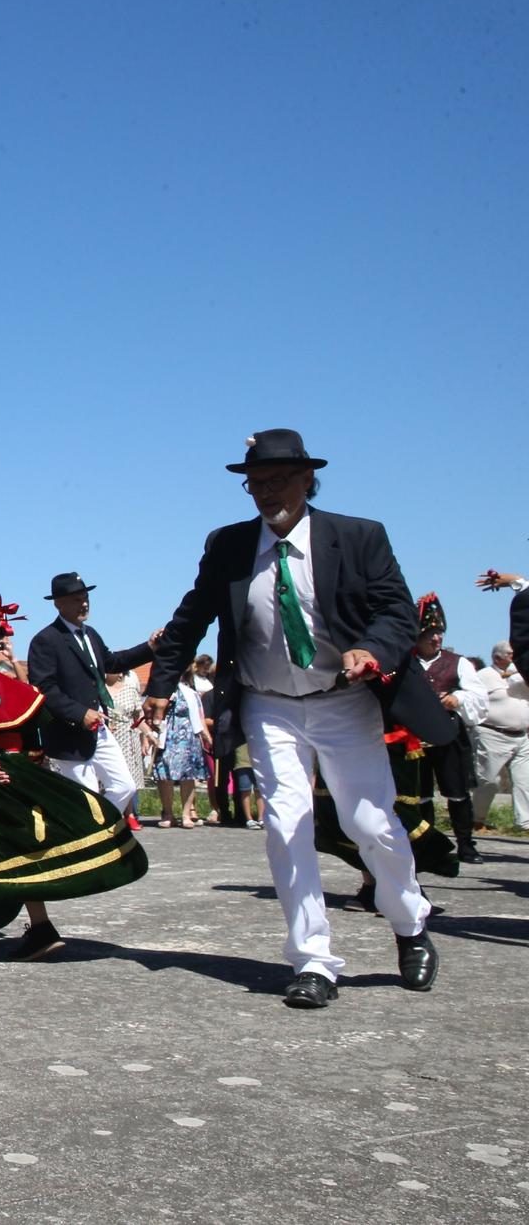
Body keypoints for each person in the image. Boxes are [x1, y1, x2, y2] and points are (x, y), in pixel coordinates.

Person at [146, 429, 439, 1009]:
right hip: (269, 704)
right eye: (255, 483)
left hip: (343, 699)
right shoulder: (228, 545)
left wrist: (371, 650)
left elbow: (397, 612)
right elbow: (190, 618)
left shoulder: (358, 537)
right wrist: (159, 685)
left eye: (277, 480)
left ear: (308, 478)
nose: (264, 492)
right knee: (286, 823)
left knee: (369, 824)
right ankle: (312, 960)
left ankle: (410, 923)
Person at [0, 637, 149, 959]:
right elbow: (35, 728)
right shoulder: (2, 682)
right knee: (23, 854)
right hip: (20, 776)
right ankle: (36, 927)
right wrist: (29, 760)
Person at [28, 573, 157, 827]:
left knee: (124, 786)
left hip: (99, 731)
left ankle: (97, 832)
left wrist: (150, 647)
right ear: (58, 603)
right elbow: (44, 689)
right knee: (86, 798)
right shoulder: (46, 640)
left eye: (85, 597)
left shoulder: (91, 635)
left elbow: (112, 663)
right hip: (68, 736)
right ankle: (88, 842)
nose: (84, 604)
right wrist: (79, 713)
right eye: (76, 599)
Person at [409, 594, 489, 863]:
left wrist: (459, 699)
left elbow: (478, 696)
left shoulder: (459, 663)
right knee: (418, 797)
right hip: (414, 739)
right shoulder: (405, 662)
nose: (436, 639)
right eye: (430, 634)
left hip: (449, 736)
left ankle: (466, 845)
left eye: (439, 633)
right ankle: (426, 847)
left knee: (457, 793)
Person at [471, 639, 526, 829]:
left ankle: (525, 824)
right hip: (492, 733)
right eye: (511, 654)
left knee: (524, 781)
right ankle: (477, 820)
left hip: (522, 735)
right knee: (489, 781)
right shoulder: (484, 675)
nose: (515, 657)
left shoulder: (523, 674)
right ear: (497, 657)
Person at [151, 666, 213, 829]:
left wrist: (206, 736)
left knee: (188, 776)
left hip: (188, 738)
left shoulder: (190, 692)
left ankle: (186, 814)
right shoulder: (161, 690)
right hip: (167, 736)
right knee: (165, 775)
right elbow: (152, 713)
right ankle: (167, 813)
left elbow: (199, 716)